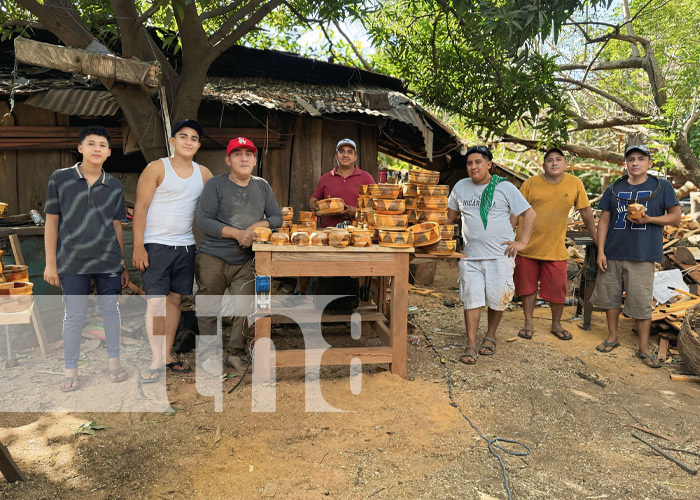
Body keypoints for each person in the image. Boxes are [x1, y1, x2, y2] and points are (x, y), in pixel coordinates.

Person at [44, 126, 130, 391]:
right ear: (80, 148)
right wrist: (50, 263)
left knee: (110, 312)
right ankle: (71, 371)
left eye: (102, 145)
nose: (97, 149)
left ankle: (114, 365)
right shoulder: (60, 179)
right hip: (72, 262)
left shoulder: (114, 185)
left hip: (108, 261)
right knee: (74, 316)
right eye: (91, 144)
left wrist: (122, 262)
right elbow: (51, 222)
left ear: (109, 153)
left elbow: (117, 225)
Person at [132, 119, 213, 383]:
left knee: (175, 301)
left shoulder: (203, 173)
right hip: (155, 245)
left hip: (186, 246)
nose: (188, 142)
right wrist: (138, 246)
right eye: (183, 137)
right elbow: (140, 209)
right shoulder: (157, 168)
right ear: (173, 141)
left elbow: (217, 202)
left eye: (193, 138)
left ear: (198, 145)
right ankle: (155, 360)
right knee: (155, 302)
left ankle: (166, 355)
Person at [196, 137, 282, 372]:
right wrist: (237, 234)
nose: (244, 158)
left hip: (245, 260)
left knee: (245, 305)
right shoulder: (215, 185)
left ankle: (234, 353)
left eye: (249, 154)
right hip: (212, 256)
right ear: (228, 160)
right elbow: (203, 220)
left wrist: (257, 226)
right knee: (208, 306)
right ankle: (208, 354)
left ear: (255, 160)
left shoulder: (262, 186)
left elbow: (277, 217)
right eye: (237, 154)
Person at [592, 144, 680, 368]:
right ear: (625, 164)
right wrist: (601, 251)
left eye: (641, 159)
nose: (635, 163)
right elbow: (603, 221)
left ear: (649, 163)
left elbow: (676, 217)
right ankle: (612, 337)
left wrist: (649, 219)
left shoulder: (661, 186)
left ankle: (643, 348)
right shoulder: (615, 188)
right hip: (613, 252)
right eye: (631, 159)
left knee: (641, 302)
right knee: (610, 298)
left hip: (642, 254)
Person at [446, 145, 536, 365]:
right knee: (471, 299)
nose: (473, 166)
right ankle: (470, 343)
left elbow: (529, 213)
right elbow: (449, 219)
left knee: (497, 298)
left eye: (478, 162)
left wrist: (522, 242)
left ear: (489, 165)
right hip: (470, 256)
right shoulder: (460, 186)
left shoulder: (504, 187)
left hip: (500, 255)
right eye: (469, 163)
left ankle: (490, 335)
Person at [514, 147, 598, 340]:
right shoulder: (530, 184)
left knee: (558, 289)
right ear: (543, 165)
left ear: (565, 164)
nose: (554, 163)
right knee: (527, 288)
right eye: (549, 160)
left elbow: (585, 212)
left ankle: (556, 324)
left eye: (558, 159)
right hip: (527, 247)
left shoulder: (574, 183)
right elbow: (515, 212)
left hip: (555, 248)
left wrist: (596, 237)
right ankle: (528, 322)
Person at [309, 139, 375, 227]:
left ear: (355, 156)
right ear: (336, 156)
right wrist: (313, 204)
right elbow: (314, 198)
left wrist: (355, 212)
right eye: (341, 151)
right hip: (328, 233)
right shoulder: (326, 178)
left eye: (350, 152)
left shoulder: (366, 178)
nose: (345, 155)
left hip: (358, 234)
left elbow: (376, 205)